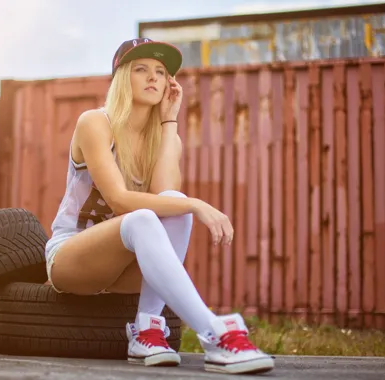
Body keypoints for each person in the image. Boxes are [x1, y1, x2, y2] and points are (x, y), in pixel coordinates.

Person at [44, 38, 274, 375]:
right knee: (148, 216)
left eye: (161, 72)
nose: (154, 78)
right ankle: (215, 334)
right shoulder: (95, 123)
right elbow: (120, 200)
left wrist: (169, 123)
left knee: (175, 204)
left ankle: (148, 330)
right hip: (73, 258)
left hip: (127, 267)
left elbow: (167, 197)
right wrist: (199, 204)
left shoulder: (167, 139)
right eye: (141, 69)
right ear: (123, 77)